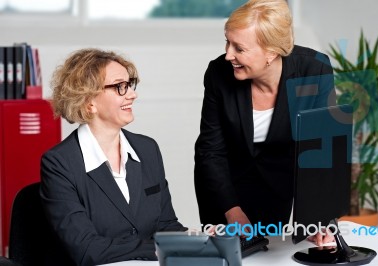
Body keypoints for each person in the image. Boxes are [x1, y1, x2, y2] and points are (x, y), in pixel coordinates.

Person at [194, 0, 335, 245]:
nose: (228, 55)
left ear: (271, 52)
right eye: (227, 42)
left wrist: (318, 219)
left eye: (239, 48)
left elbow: (318, 151)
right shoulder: (218, 73)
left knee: (269, 255)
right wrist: (231, 210)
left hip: (277, 185)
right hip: (223, 189)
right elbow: (210, 150)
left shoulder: (314, 70)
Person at [40, 48, 186, 266]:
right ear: (89, 101)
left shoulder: (147, 149)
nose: (132, 94)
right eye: (120, 87)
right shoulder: (60, 163)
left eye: (129, 84)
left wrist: (198, 241)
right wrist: (156, 248)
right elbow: (86, 248)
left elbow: (166, 224)